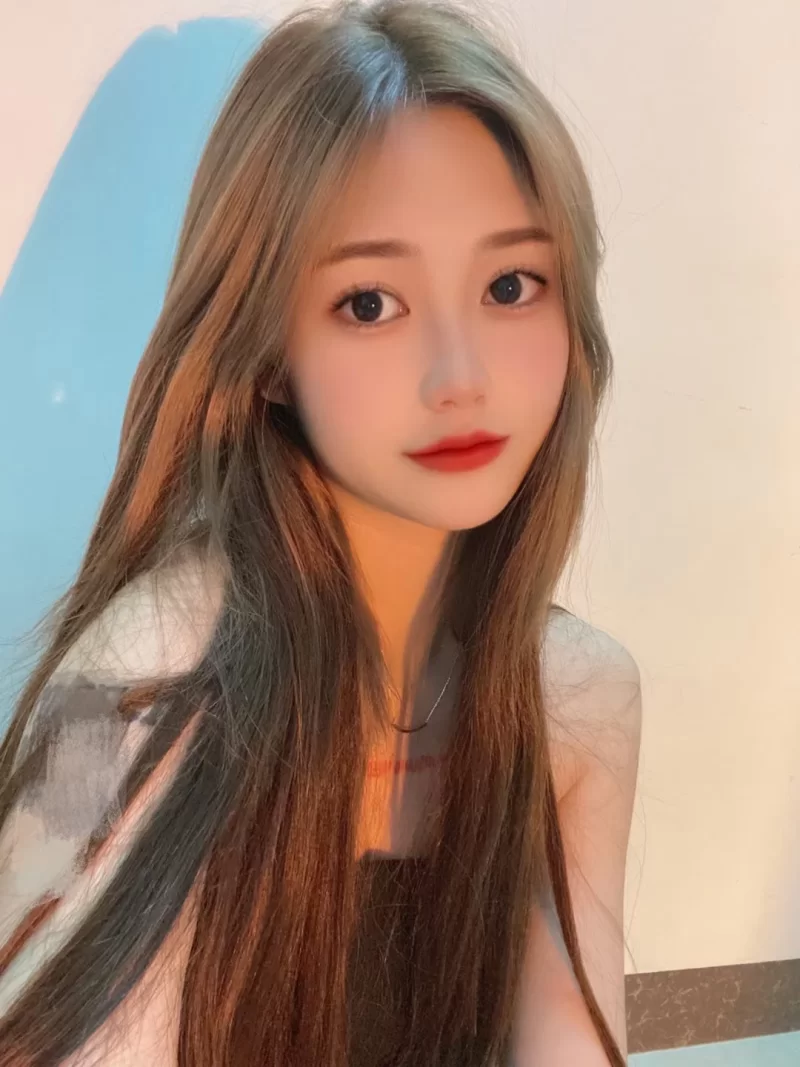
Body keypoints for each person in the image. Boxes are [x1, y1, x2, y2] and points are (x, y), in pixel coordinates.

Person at [0, 1, 642, 1063]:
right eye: (369, 303)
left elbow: (572, 1032)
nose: (460, 375)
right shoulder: (124, 683)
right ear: (262, 353)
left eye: (510, 285)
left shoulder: (575, 699)